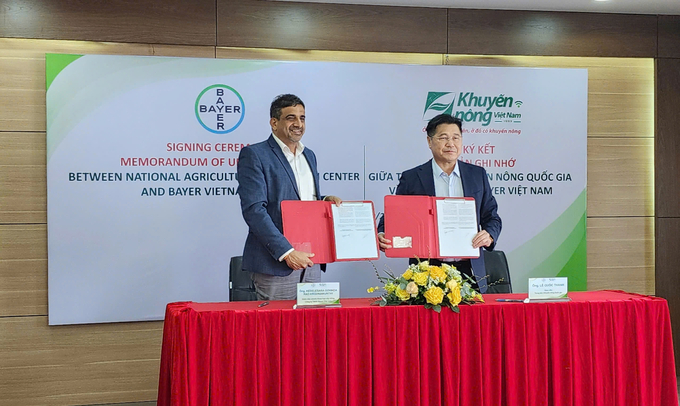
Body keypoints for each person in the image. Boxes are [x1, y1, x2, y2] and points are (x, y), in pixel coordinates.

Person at [378, 113, 501, 293]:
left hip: (470, 271)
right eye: (443, 138)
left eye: (456, 137)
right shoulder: (412, 178)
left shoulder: (477, 175)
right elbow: (393, 218)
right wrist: (383, 232)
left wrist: (489, 234)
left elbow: (492, 217)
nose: (451, 143)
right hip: (427, 271)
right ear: (429, 141)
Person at [237, 94, 342, 300]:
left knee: (310, 328)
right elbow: (254, 210)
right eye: (291, 118)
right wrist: (287, 252)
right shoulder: (255, 154)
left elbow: (301, 200)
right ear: (274, 123)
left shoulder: (308, 155)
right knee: (277, 330)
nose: (298, 124)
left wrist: (323, 201)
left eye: (302, 118)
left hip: (311, 260)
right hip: (275, 262)